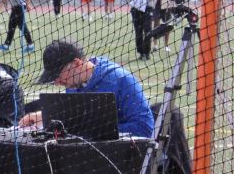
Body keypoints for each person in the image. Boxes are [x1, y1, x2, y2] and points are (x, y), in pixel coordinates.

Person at [19, 39, 154, 138]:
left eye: (58, 75)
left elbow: (145, 128)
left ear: (77, 63)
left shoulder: (122, 80)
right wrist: (44, 117)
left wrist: (94, 130)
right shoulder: (73, 85)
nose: (57, 82)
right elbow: (76, 119)